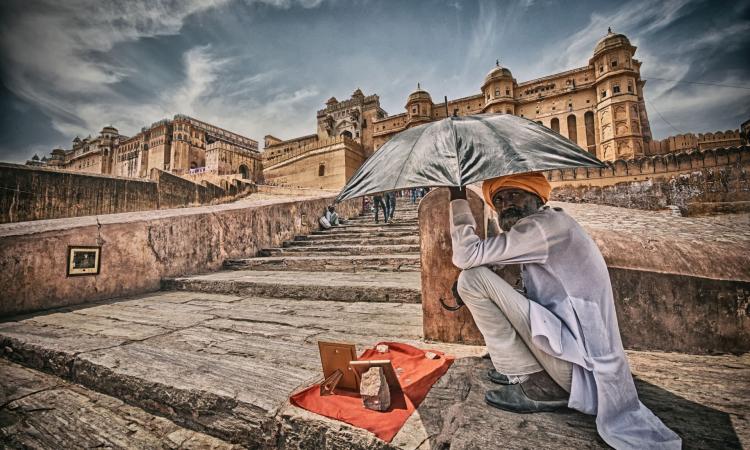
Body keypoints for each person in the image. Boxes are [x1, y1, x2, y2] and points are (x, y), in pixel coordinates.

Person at [448, 173, 680, 449]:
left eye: (514, 195)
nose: (506, 204)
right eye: (499, 199)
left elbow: (465, 256)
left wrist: (457, 198)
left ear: (537, 197)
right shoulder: (551, 224)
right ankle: (527, 372)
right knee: (482, 277)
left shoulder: (544, 226)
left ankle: (540, 383)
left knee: (471, 280)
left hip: (582, 373)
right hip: (580, 363)